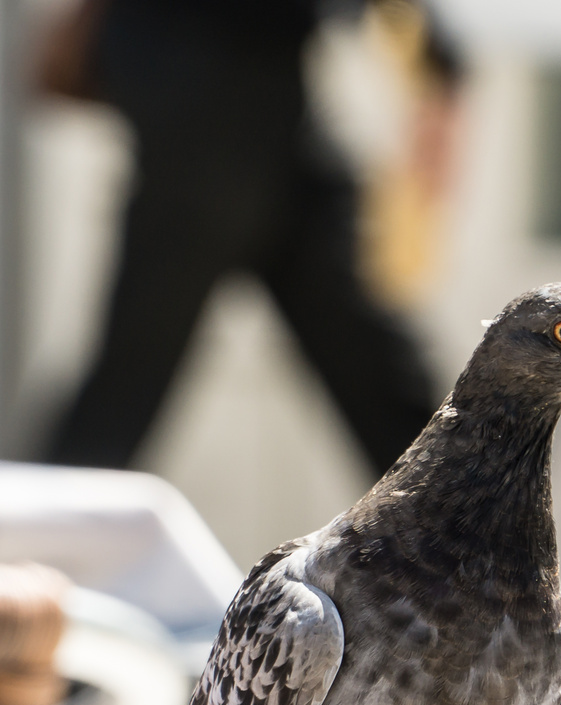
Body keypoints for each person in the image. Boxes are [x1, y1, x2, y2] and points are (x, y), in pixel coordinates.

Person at [41, 0, 461, 476]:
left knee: (376, 368)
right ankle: (39, 532)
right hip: (202, 85)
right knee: (124, 387)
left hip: (263, 93)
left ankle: (468, 522)